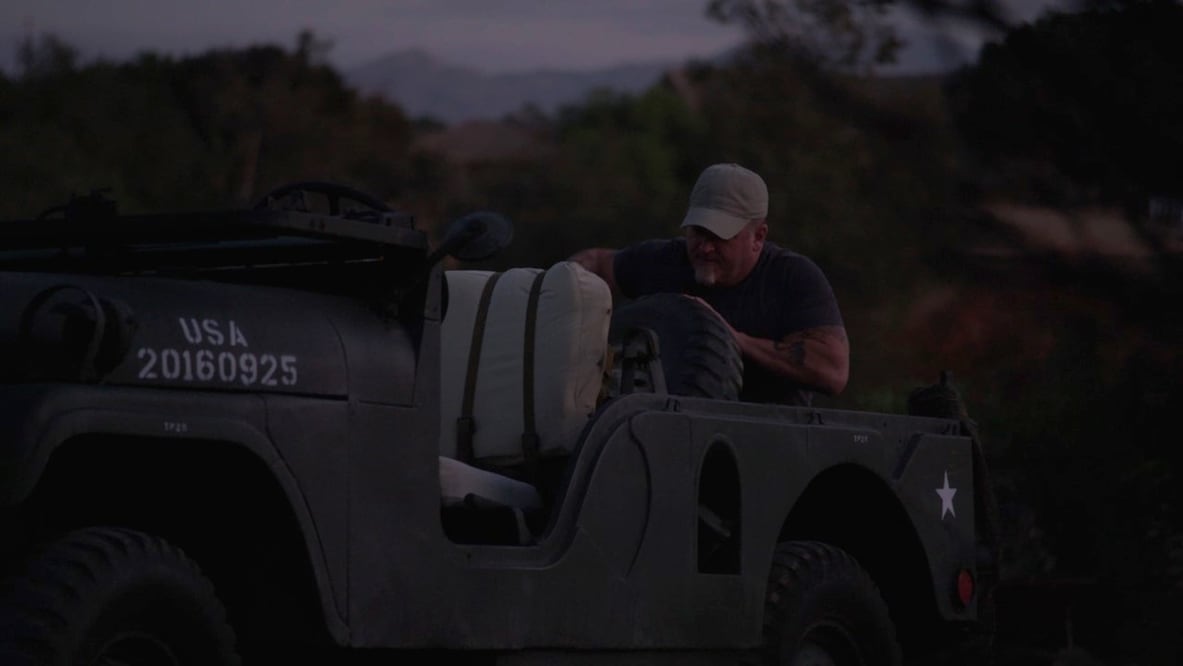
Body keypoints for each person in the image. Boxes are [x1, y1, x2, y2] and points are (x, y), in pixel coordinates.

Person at [570, 162, 848, 406]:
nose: (704, 248)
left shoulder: (792, 278)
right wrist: (560, 293)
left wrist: (729, 337)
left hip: (767, 435)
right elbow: (595, 263)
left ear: (758, 237)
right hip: (661, 430)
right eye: (698, 232)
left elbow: (833, 370)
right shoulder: (664, 261)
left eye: (720, 237)